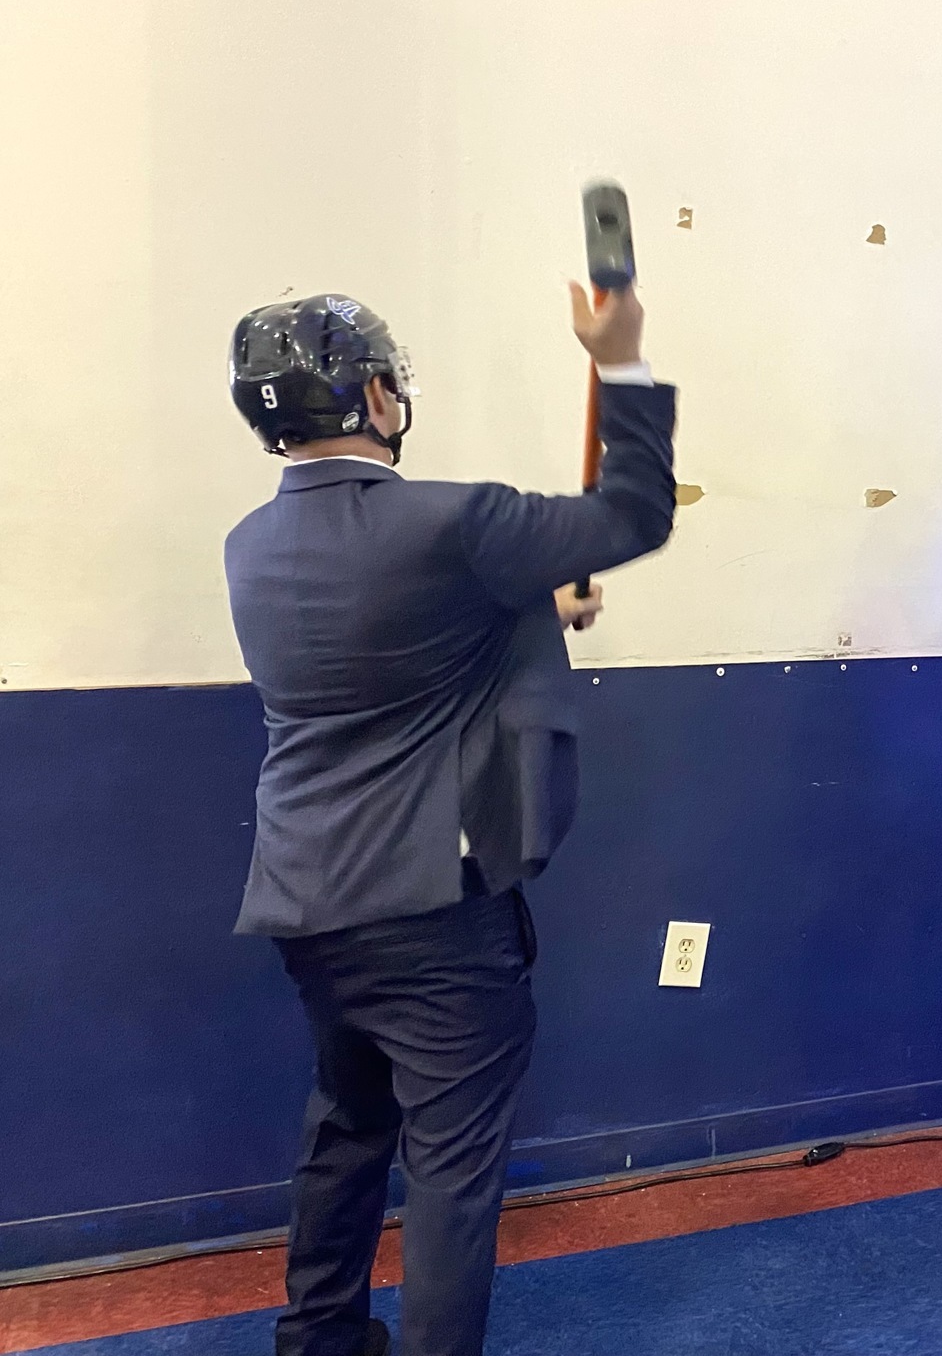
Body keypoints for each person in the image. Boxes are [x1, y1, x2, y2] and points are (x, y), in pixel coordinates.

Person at [223, 283, 677, 1356]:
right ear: (378, 394)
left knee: (345, 1129)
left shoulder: (251, 544)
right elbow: (636, 512)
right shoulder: (459, 522)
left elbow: (396, 644)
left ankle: (319, 1338)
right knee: (452, 1178)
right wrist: (620, 360)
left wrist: (531, 601)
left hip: (306, 899)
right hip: (433, 914)